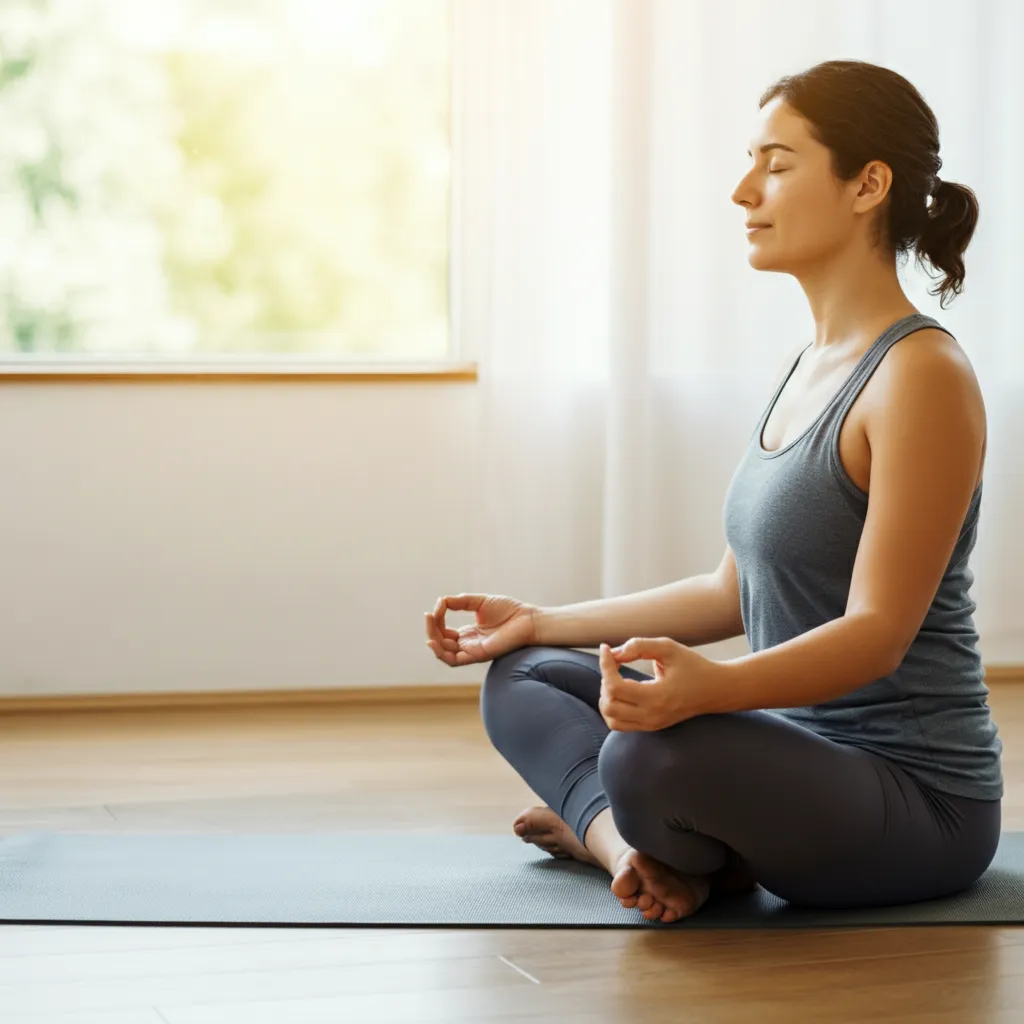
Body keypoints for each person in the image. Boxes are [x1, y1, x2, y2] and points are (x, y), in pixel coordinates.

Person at [424, 59, 1002, 925]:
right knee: (525, 676)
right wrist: (540, 620)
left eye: (776, 163)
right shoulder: (806, 368)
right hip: (790, 761)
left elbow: (879, 635)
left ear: (867, 184)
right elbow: (730, 590)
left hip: (912, 800)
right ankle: (632, 852)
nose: (743, 191)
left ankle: (623, 827)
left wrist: (705, 691)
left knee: (645, 758)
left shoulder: (921, 374)